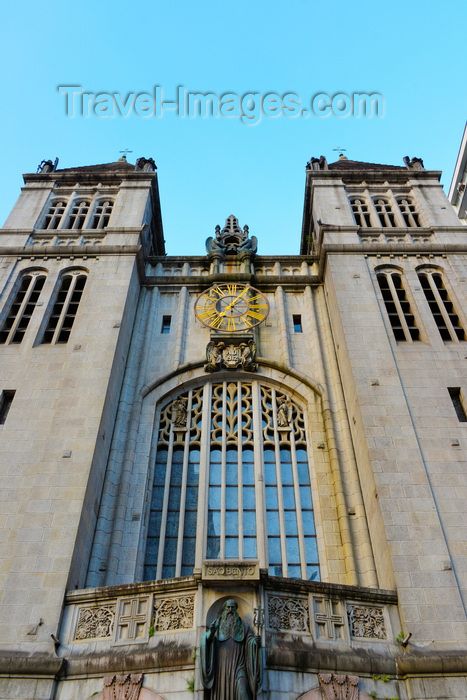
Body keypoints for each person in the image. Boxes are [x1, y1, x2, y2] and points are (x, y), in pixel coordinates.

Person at [201, 599, 262, 700]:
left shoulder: (244, 626)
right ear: (224, 609)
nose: (230, 610)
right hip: (221, 667)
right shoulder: (217, 624)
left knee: (242, 690)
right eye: (228, 607)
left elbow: (249, 641)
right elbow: (206, 640)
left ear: (236, 609)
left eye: (232, 607)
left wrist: (255, 642)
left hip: (239, 665)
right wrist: (211, 633)